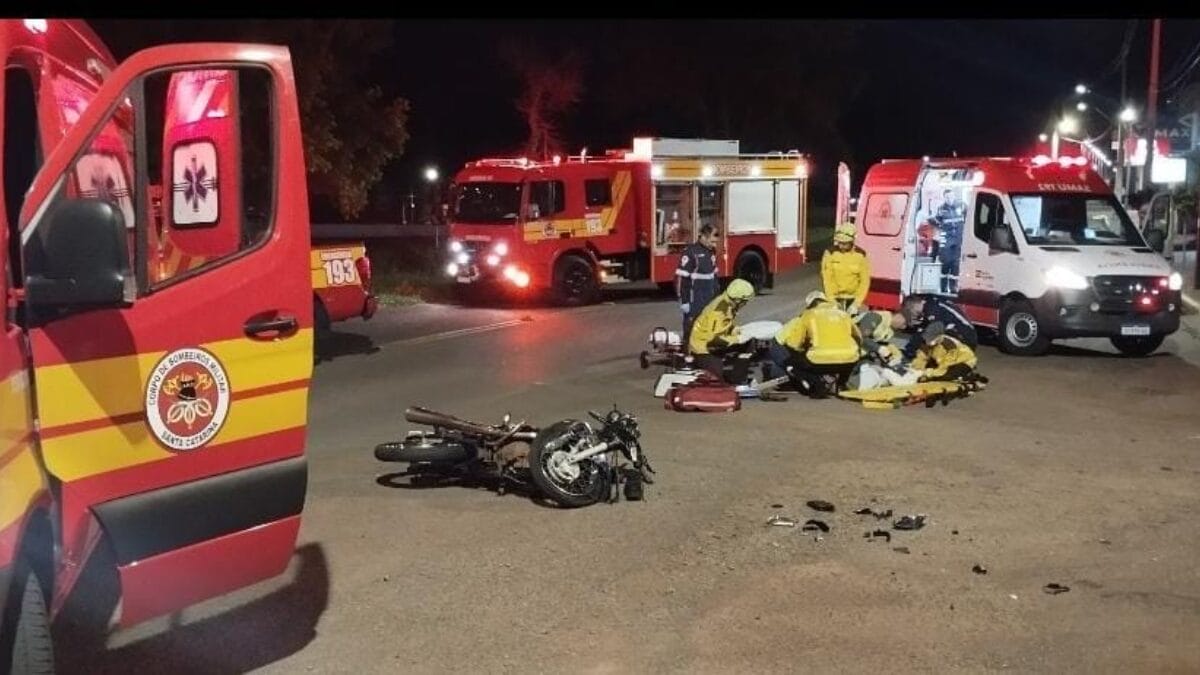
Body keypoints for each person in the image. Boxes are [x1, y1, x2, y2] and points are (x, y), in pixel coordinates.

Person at [767, 290, 862, 397]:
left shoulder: (808, 315)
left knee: (794, 362)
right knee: (850, 356)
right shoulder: (843, 314)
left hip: (819, 361)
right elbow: (859, 337)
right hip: (848, 361)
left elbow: (794, 344)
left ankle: (816, 385)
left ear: (810, 305)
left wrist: (802, 353)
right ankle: (841, 384)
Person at [688, 278, 756, 381]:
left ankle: (738, 378)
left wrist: (735, 330)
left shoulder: (728, 304)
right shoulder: (718, 311)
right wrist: (737, 339)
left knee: (748, 344)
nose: (745, 304)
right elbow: (714, 340)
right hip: (702, 348)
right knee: (717, 377)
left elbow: (724, 327)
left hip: (714, 343)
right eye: (744, 302)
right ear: (738, 300)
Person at [676, 225, 720, 350]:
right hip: (694, 300)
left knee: (707, 327)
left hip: (708, 299)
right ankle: (687, 355)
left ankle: (703, 352)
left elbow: (714, 276)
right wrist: (684, 302)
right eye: (712, 241)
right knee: (691, 328)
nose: (714, 244)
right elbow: (682, 279)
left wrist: (717, 296)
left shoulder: (711, 252)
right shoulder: (690, 252)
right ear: (704, 237)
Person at [896, 294, 978, 360]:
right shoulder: (930, 303)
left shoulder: (932, 308)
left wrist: (911, 351)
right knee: (928, 335)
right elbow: (921, 330)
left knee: (930, 339)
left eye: (910, 312)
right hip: (966, 336)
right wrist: (910, 349)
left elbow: (926, 333)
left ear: (912, 307)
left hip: (966, 339)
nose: (912, 315)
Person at [821, 222, 870, 314]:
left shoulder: (861, 255)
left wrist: (856, 303)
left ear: (852, 241)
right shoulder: (830, 253)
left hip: (853, 300)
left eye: (844, 243)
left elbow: (864, 281)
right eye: (839, 243)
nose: (841, 246)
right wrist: (831, 301)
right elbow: (827, 279)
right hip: (834, 299)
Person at [910, 322, 979, 382]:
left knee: (945, 377)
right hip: (941, 359)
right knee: (928, 370)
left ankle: (966, 375)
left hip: (963, 361)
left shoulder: (950, 346)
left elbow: (945, 368)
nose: (928, 341)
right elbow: (921, 357)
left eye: (932, 338)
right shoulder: (927, 342)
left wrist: (926, 373)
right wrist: (916, 369)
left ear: (940, 336)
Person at [935, 189, 966, 294]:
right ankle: (943, 288)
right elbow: (937, 223)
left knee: (956, 265)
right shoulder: (941, 209)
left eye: (951, 196)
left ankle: (953, 288)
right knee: (945, 264)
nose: (949, 199)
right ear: (944, 198)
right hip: (947, 241)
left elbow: (968, 219)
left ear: (954, 196)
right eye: (947, 197)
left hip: (958, 240)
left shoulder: (962, 206)